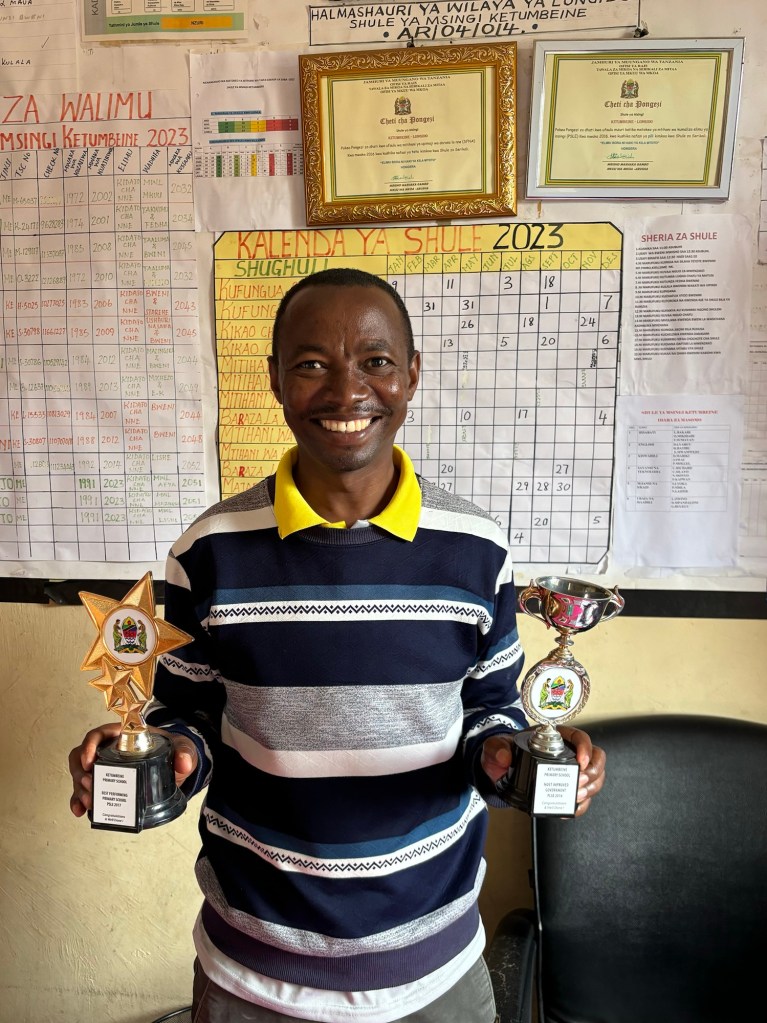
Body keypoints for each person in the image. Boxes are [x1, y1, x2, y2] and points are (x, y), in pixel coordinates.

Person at [69, 268, 606, 1023]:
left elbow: (491, 707)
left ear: (411, 373)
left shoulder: (476, 548)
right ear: (276, 381)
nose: (346, 390)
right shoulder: (209, 549)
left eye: (375, 361)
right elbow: (186, 712)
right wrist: (158, 758)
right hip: (253, 971)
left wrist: (514, 756)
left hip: (433, 969)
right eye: (312, 363)